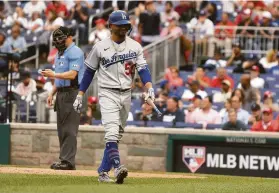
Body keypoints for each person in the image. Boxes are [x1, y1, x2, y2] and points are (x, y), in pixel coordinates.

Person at [72, 11, 155, 184]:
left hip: (126, 94)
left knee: (116, 135)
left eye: (126, 24)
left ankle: (103, 172)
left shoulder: (135, 46)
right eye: (120, 24)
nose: (124, 27)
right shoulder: (100, 46)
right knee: (111, 132)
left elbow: (143, 69)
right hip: (107, 92)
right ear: (111, 26)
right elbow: (88, 72)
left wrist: (149, 87)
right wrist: (80, 94)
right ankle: (117, 167)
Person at [41, 26, 85, 170]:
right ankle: (64, 159)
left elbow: (72, 74)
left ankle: (68, 161)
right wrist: (51, 93)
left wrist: (53, 74)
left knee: (70, 129)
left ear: (69, 36)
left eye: (61, 37)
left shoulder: (76, 51)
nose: (58, 40)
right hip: (61, 93)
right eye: (56, 38)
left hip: (73, 92)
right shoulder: (60, 53)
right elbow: (59, 78)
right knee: (62, 129)